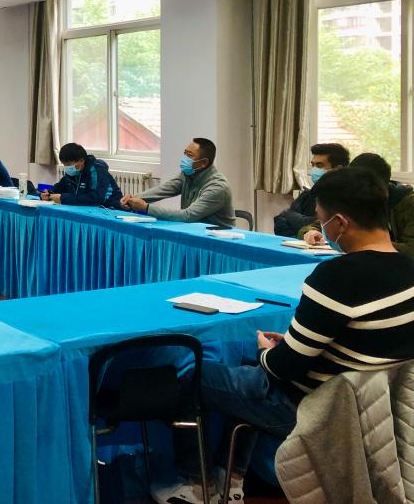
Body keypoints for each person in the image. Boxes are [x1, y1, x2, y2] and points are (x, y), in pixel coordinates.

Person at [152, 167, 414, 504]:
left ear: (340, 223)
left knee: (194, 374)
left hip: (317, 410)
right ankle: (232, 479)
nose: (321, 229)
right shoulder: (407, 268)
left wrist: (267, 351)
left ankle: (196, 486)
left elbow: (281, 368)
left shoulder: (335, 277)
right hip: (379, 410)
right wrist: (286, 345)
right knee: (246, 370)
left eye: (321, 220)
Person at [303, 152, 414, 257]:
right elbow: (327, 221)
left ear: (381, 185)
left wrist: (364, 242)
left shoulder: (408, 203)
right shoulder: (353, 195)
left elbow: (411, 250)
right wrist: (312, 231)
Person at [121, 138, 234, 227]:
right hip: (193, 232)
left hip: (218, 241)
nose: (185, 158)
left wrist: (146, 208)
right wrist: (133, 198)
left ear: (203, 163)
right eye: (185, 153)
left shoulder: (217, 187)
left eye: (190, 155)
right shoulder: (188, 174)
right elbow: (165, 189)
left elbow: (188, 216)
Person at [273, 143, 350, 237]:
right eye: (313, 165)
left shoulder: (348, 197)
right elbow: (280, 222)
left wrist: (305, 229)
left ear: (338, 169)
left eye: (319, 166)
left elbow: (327, 226)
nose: (313, 170)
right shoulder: (308, 195)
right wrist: (304, 234)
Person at [39, 142, 124, 208]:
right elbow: (59, 187)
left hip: (111, 209)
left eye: (69, 164)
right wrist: (47, 193)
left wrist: (63, 198)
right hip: (87, 210)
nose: (67, 168)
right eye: (64, 165)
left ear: (82, 161)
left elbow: (95, 198)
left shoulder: (97, 170)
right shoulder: (73, 172)